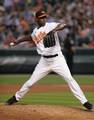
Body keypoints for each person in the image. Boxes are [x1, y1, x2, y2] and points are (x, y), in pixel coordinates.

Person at [5, 9, 93, 111]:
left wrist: (54, 30)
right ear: (36, 19)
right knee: (30, 83)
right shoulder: (35, 32)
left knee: (70, 79)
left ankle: (85, 102)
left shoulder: (50, 25)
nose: (44, 19)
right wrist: (17, 41)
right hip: (44, 62)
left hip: (58, 60)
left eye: (45, 17)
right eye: (42, 18)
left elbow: (63, 25)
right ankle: (15, 98)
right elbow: (30, 37)